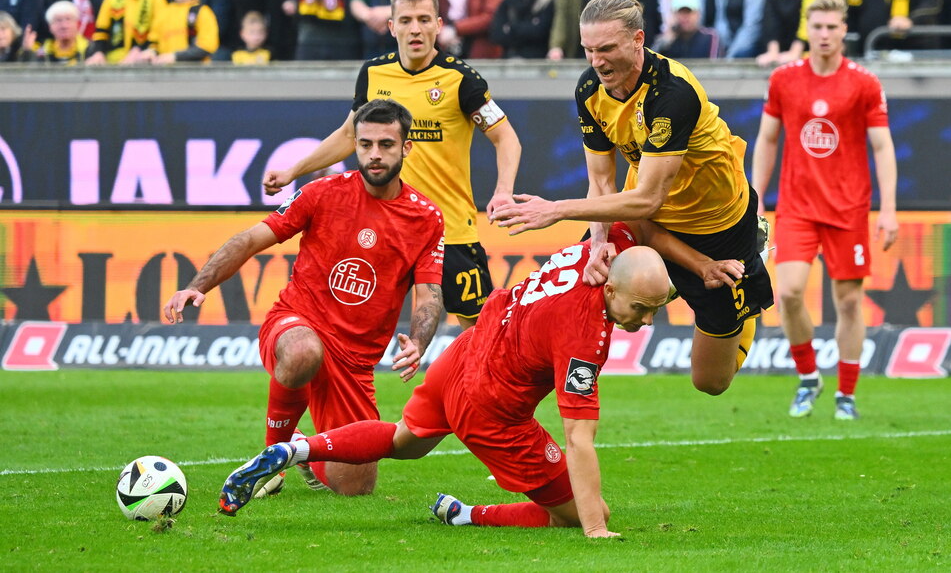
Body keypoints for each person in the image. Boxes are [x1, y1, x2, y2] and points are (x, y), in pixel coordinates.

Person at [218, 223, 745, 535]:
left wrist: (700, 265)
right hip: (491, 405)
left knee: (406, 441)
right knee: (580, 511)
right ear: (611, 291)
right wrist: (596, 528)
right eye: (641, 308)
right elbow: (579, 437)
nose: (646, 321)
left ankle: (296, 450)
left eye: (656, 310)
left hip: (468, 350)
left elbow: (639, 222)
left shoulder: (602, 247)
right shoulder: (587, 334)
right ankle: (470, 515)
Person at [493, 0, 774, 397]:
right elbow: (603, 181)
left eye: (607, 48)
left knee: (710, 382)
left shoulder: (672, 93)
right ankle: (571, 388)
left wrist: (556, 210)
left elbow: (648, 197)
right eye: (589, 50)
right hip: (644, 219)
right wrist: (599, 243)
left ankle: (747, 279)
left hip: (716, 226)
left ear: (638, 39)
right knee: (581, 284)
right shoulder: (590, 87)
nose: (596, 61)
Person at [164, 99, 446, 496]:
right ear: (355, 146)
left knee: (356, 489)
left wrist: (418, 341)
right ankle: (271, 458)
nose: (374, 154)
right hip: (297, 321)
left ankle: (299, 451)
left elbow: (430, 294)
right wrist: (198, 285)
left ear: (406, 148)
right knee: (301, 352)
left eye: (386, 144)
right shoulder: (323, 192)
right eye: (365, 144)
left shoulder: (426, 217)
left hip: (354, 362)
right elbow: (250, 239)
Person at [263, 0, 522, 331]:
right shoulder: (373, 74)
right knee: (349, 322)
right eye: (406, 20)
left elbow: (506, 138)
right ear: (392, 27)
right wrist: (294, 170)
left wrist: (503, 190)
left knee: (481, 334)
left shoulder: (461, 80)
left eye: (424, 19)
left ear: (438, 24)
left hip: (450, 230)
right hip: (388, 230)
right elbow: (347, 134)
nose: (415, 28)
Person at [751, 0, 898, 421]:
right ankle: (808, 377)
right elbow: (767, 139)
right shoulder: (783, 80)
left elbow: (883, 147)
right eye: (817, 26)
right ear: (807, 28)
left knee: (849, 302)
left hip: (849, 209)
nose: (825, 34)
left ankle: (846, 394)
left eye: (833, 27)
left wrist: (888, 209)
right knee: (790, 292)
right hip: (797, 206)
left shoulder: (864, 83)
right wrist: (757, 192)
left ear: (843, 30)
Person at [146, 0, 218, 63]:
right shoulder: (162, 13)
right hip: (166, 71)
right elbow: (154, 43)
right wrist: (151, 52)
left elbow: (207, 47)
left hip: (196, 71)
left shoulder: (203, 12)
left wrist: (175, 56)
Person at [652, 0, 719, 58]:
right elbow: (650, 63)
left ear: (698, 14)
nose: (685, 17)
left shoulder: (710, 37)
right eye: (681, 12)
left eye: (688, 12)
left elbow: (716, 66)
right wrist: (664, 43)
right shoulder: (667, 40)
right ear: (673, 15)